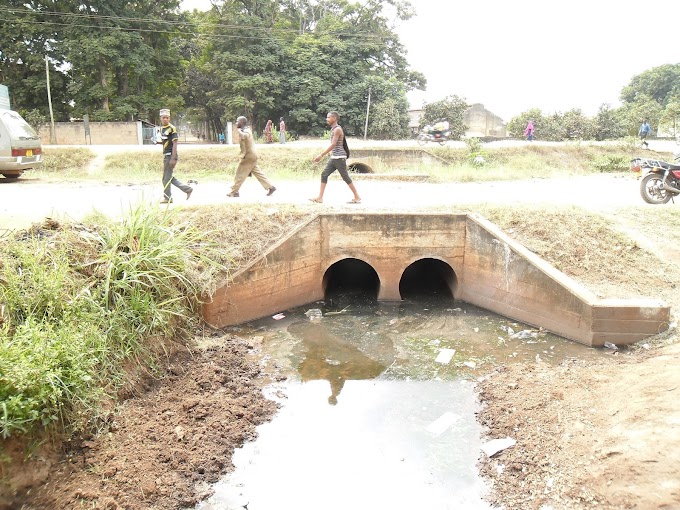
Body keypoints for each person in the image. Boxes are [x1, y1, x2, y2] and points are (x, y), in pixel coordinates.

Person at [310, 111, 361, 204]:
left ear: (334, 118)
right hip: (334, 157)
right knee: (324, 174)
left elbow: (333, 144)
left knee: (345, 177)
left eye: (328, 117)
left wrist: (321, 155)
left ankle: (357, 196)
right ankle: (320, 197)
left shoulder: (337, 129)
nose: (327, 119)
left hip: (339, 157)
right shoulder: (333, 129)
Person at [227, 116, 276, 198]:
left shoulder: (246, 131)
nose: (236, 123)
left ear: (242, 122)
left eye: (237, 121)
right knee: (258, 173)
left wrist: (238, 131)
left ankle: (234, 191)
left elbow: (244, 136)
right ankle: (270, 187)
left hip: (248, 156)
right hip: (251, 156)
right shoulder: (246, 129)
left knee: (240, 174)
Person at [159, 108, 192, 204]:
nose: (165, 119)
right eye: (163, 117)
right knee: (167, 177)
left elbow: (174, 144)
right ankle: (187, 189)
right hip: (166, 155)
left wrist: (173, 158)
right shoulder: (162, 129)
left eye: (167, 118)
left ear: (169, 118)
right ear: (160, 118)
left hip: (171, 155)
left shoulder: (172, 128)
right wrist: (157, 142)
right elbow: (166, 142)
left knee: (166, 178)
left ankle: (167, 197)